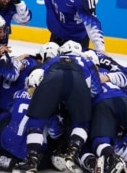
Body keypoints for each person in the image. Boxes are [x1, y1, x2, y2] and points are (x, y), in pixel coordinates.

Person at [14, 40, 100, 173]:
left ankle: (31, 161)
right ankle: (72, 154)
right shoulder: (87, 62)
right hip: (78, 84)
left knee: (37, 120)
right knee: (81, 124)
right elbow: (96, 90)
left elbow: (41, 78)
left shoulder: (52, 60)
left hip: (53, 80)